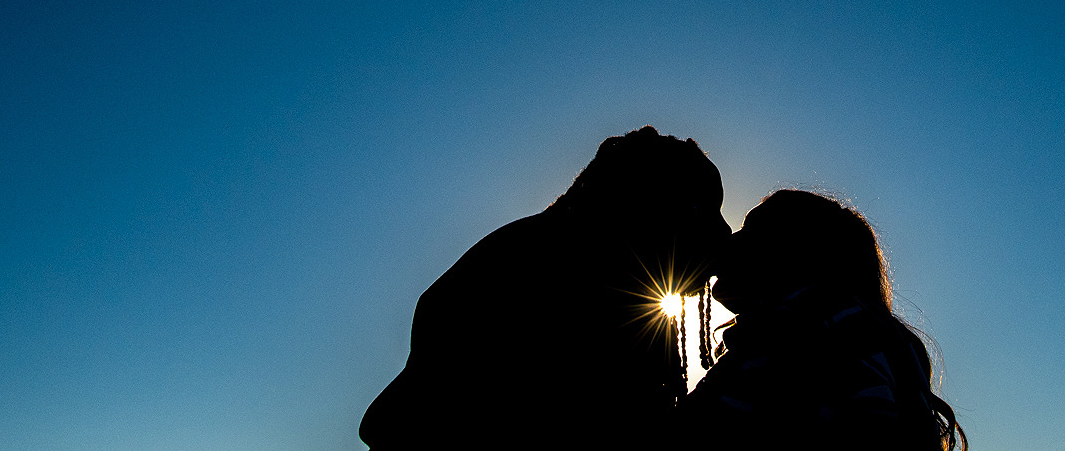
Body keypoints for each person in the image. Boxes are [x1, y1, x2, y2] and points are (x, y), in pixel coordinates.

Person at [360, 125, 730, 450]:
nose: (724, 233)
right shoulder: (520, 271)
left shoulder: (630, 302)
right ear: (647, 203)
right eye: (701, 209)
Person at [680, 189, 967, 451]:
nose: (730, 238)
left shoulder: (809, 331)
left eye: (750, 229)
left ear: (792, 252)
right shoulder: (841, 332)